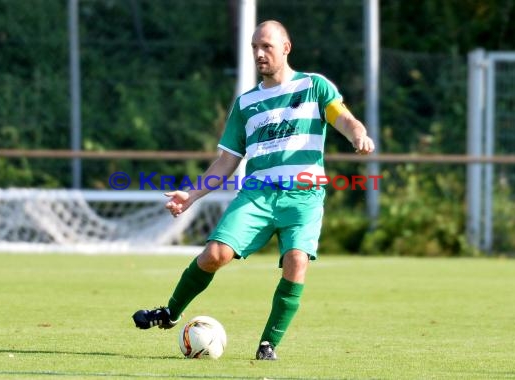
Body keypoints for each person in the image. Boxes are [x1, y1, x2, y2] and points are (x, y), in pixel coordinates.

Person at [132, 20, 375, 360]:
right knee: (214, 255)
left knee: (296, 261)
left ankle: (268, 344)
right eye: (255, 47)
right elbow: (225, 162)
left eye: (267, 47)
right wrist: (191, 195)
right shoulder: (246, 104)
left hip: (304, 197)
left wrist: (358, 135)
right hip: (257, 196)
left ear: (286, 48)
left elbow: (344, 118)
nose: (260, 53)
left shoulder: (314, 86)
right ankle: (170, 313)